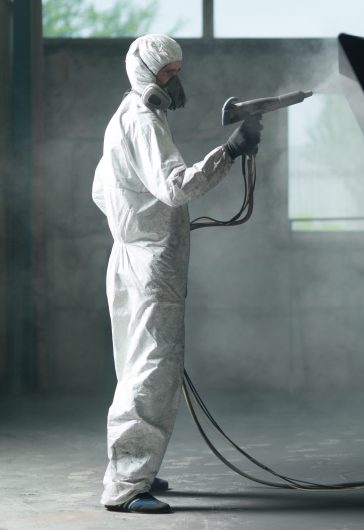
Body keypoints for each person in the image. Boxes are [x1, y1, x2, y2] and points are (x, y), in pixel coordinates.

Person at [92, 34, 262, 514]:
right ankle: (126, 488)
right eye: (168, 72)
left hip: (127, 259)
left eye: (176, 71)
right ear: (146, 72)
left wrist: (133, 227)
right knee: (153, 372)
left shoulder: (125, 115)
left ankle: (134, 468)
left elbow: (101, 191)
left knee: (134, 368)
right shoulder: (144, 121)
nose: (175, 80)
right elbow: (173, 187)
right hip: (151, 267)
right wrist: (229, 152)